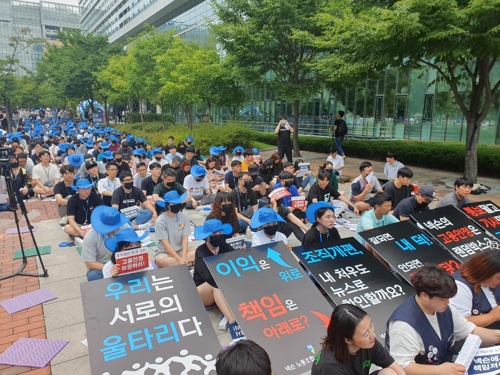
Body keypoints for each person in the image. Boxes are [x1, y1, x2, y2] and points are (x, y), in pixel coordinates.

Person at [386, 265, 500, 375]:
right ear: (425, 296)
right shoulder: (403, 325)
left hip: (446, 364)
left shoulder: (445, 309)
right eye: (442, 299)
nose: (447, 303)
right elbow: (402, 366)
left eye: (448, 299)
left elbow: (470, 331)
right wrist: (438, 371)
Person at [312, 304, 405, 375]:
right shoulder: (330, 366)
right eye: (365, 333)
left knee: (389, 373)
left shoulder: (369, 341)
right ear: (347, 340)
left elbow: (396, 368)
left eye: (371, 325)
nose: (373, 335)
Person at [193, 219, 246, 342]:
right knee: (215, 285)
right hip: (203, 291)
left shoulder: (224, 246)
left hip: (222, 287)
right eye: (214, 234)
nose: (218, 236)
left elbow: (234, 260)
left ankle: (228, 312)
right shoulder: (200, 251)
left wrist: (240, 253)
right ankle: (233, 323)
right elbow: (207, 276)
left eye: (220, 233)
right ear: (207, 237)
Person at [451, 250, 500, 329]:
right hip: (477, 338)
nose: (499, 282)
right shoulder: (460, 286)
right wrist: (492, 316)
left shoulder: (492, 283)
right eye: (498, 278)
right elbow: (461, 323)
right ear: (485, 272)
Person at [81, 205, 130, 281]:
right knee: (93, 276)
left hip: (124, 261)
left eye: (115, 226)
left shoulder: (125, 227)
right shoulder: (90, 237)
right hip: (103, 265)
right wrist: (109, 268)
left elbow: (134, 245)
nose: (114, 229)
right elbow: (89, 263)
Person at [154, 191, 196, 267]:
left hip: (181, 250)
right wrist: (179, 259)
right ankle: (189, 263)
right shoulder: (161, 220)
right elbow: (165, 243)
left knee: (201, 251)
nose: (176, 205)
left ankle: (181, 263)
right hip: (165, 252)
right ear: (167, 206)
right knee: (161, 260)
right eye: (173, 204)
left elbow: (185, 238)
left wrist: (184, 256)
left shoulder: (184, 216)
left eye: (178, 203)